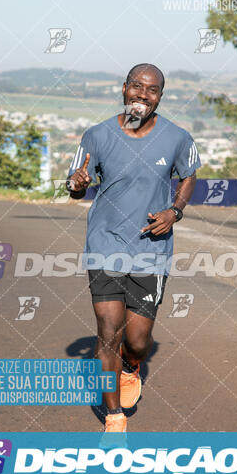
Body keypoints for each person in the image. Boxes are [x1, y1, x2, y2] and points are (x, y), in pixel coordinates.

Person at [66, 63, 200, 434]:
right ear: (124, 88)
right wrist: (77, 185)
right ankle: (114, 418)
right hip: (105, 245)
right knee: (108, 331)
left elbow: (189, 175)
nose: (143, 95)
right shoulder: (97, 135)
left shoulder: (177, 137)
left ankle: (131, 365)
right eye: (137, 87)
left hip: (150, 250)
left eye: (152, 90)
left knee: (137, 341)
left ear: (160, 96)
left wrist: (175, 210)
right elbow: (77, 183)